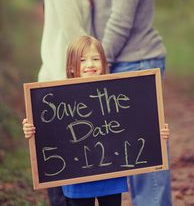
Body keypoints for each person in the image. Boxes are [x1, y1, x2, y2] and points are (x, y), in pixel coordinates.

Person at [76, 0, 172, 206]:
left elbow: (121, 20)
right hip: (123, 64)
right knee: (128, 154)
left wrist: (100, 63)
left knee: (145, 156)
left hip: (138, 63)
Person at [24, 36, 170, 205]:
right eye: (82, 60)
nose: (90, 65)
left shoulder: (117, 93)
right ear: (71, 67)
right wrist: (30, 130)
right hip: (76, 178)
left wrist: (157, 132)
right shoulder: (59, 98)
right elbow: (47, 130)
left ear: (104, 64)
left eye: (95, 59)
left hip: (111, 176)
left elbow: (135, 125)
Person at [30, 0, 93, 206]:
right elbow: (75, 35)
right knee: (62, 172)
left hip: (67, 82)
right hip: (60, 83)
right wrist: (98, 66)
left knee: (73, 170)